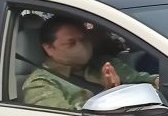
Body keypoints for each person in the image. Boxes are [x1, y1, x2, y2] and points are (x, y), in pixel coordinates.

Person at [22, 17, 158, 111]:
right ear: (48, 48)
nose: (81, 46)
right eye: (71, 43)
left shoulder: (103, 64)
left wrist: (160, 81)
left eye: (83, 39)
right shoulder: (41, 83)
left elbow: (142, 79)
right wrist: (107, 95)